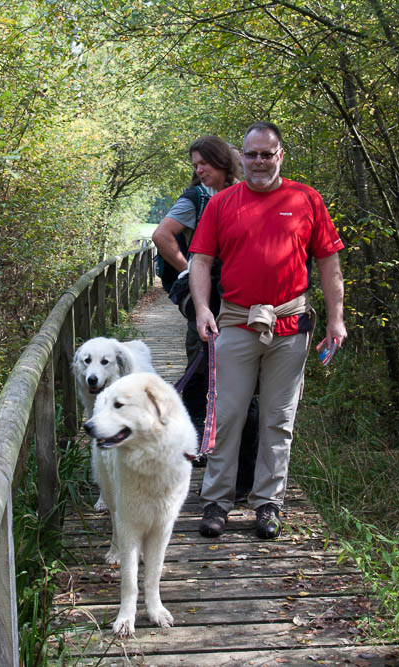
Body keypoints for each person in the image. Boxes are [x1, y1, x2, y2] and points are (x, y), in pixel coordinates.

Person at [189, 122, 346, 540]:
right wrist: (204, 309)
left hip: (290, 327)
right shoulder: (222, 204)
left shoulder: (306, 199)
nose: (259, 161)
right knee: (227, 416)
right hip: (235, 323)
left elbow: (329, 262)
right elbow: (201, 260)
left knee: (279, 419)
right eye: (252, 154)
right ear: (241, 157)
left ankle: (267, 503)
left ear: (280, 156)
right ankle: (217, 502)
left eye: (267, 153)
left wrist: (336, 318)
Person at [151, 137, 257, 498]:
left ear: (222, 161)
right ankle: (201, 443)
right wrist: (189, 274)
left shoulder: (243, 192)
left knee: (231, 377)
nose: (198, 170)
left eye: (203, 163)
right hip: (208, 302)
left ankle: (223, 450)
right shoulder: (196, 197)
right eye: (194, 164)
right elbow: (162, 235)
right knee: (203, 369)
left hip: (239, 299)